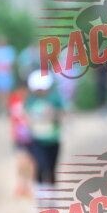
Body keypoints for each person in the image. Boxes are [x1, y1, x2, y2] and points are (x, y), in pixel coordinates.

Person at [24, 70, 64, 199]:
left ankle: (51, 194)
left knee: (51, 167)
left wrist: (54, 114)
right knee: (40, 165)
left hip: (53, 139)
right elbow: (25, 117)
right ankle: (40, 192)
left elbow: (62, 115)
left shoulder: (55, 99)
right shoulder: (31, 100)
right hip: (37, 139)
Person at [7, 81, 34, 198]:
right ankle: (20, 185)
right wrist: (12, 132)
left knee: (30, 163)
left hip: (31, 135)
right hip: (19, 136)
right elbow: (12, 118)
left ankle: (27, 186)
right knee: (21, 162)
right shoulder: (14, 99)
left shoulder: (31, 100)